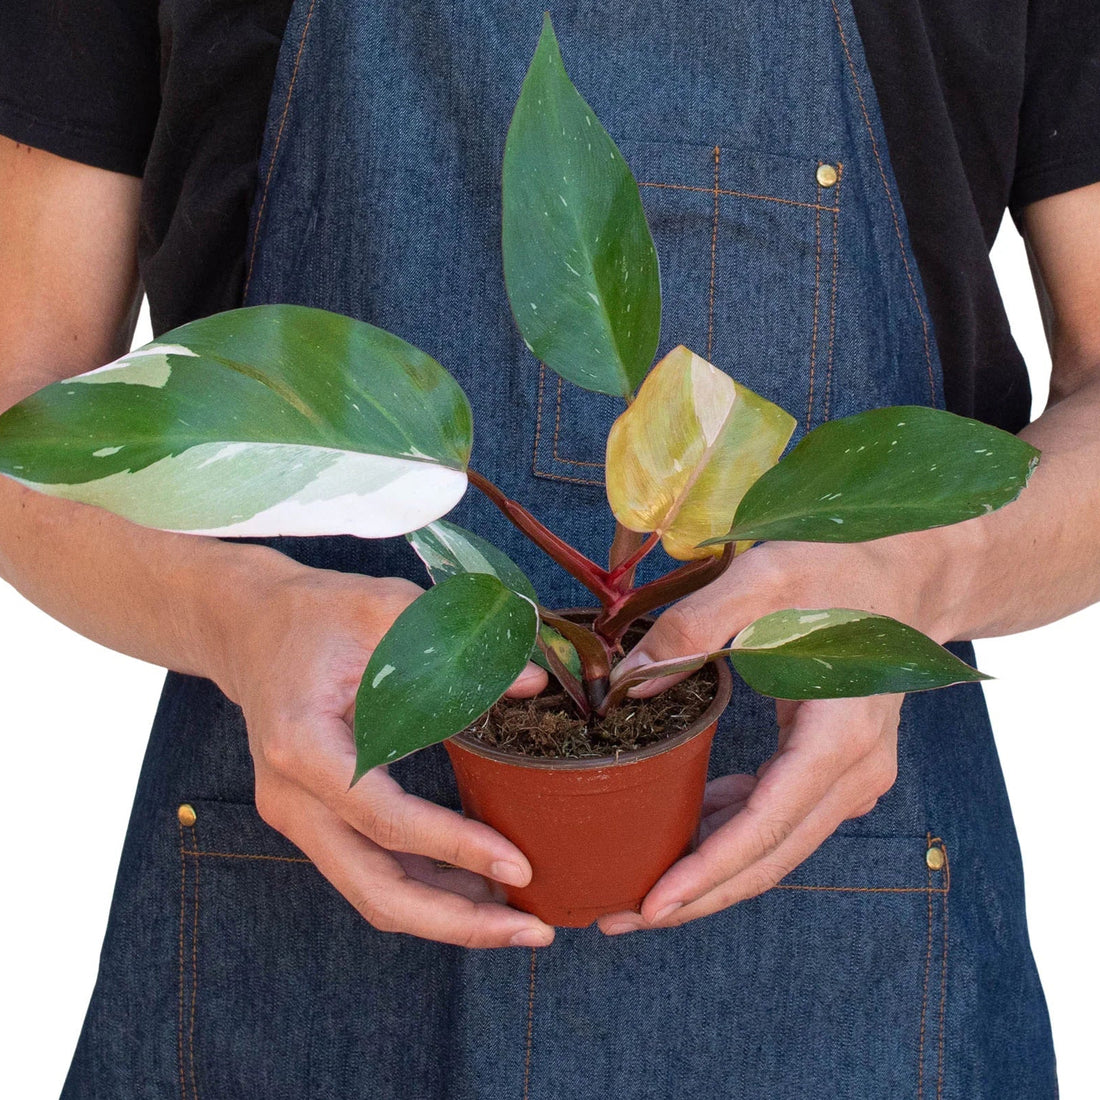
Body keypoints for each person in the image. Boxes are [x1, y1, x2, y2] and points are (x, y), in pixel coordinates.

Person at [1, 1, 1098, 1096]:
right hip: (296, 927)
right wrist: (236, 616)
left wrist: (905, 581)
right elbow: (25, 417)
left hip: (851, 953)